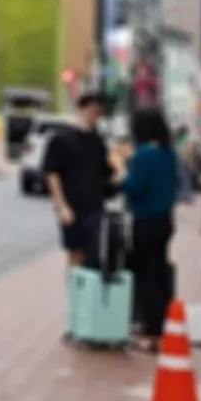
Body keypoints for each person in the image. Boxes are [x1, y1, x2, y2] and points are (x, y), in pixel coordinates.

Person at [118, 107, 180, 349]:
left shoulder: (143, 154)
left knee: (146, 274)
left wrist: (121, 170)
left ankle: (152, 331)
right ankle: (166, 323)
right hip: (165, 220)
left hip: (145, 220)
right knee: (160, 270)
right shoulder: (168, 152)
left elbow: (134, 187)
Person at [43, 90, 114, 266]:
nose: (95, 116)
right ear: (82, 110)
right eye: (92, 111)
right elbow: (52, 174)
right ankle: (75, 284)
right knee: (75, 254)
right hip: (72, 207)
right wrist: (61, 206)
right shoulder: (61, 140)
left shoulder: (98, 142)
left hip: (95, 207)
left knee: (95, 254)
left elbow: (106, 174)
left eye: (98, 112)